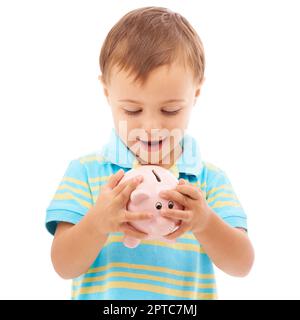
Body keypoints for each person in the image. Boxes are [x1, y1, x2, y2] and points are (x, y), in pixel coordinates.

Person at [46, 6, 254, 300]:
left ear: (195, 93)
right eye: (132, 110)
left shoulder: (208, 180)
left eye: (170, 110)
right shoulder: (87, 172)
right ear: (107, 94)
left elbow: (242, 264)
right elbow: (63, 265)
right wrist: (97, 222)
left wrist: (206, 221)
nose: (152, 126)